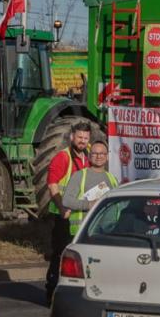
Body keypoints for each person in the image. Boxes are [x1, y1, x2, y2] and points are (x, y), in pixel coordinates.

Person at [45, 121, 92, 302]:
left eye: (85, 138)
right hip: (62, 216)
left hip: (80, 217)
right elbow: (52, 184)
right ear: (72, 137)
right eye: (79, 137)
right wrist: (61, 207)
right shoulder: (63, 157)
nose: (82, 141)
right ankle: (51, 294)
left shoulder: (87, 157)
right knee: (60, 255)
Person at [62, 141, 118, 236]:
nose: (98, 156)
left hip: (109, 232)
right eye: (95, 153)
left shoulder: (112, 178)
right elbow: (66, 201)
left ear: (107, 156)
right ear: (89, 156)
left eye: (102, 154)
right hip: (84, 233)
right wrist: (89, 204)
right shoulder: (79, 176)